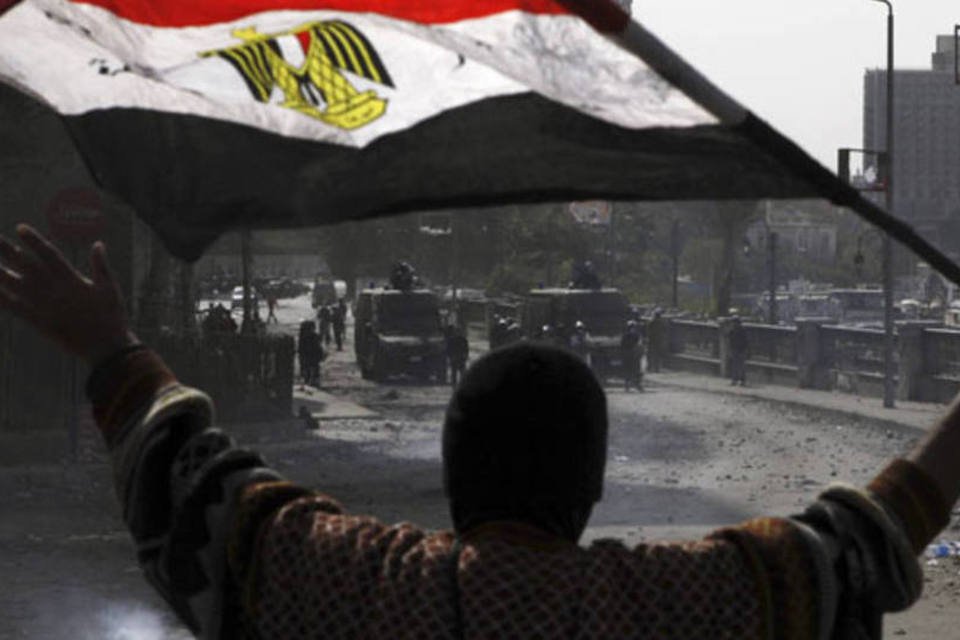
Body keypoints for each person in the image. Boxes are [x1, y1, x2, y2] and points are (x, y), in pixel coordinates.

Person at [1, 224, 956, 638]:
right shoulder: (684, 604)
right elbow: (860, 545)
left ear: (454, 476)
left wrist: (111, 344)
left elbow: (196, 485)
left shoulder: (355, 586)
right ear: (591, 488)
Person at [297, 319, 324, 387]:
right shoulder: (314, 336)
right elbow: (318, 346)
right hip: (312, 357)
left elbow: (300, 348)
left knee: (306, 370)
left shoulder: (302, 336)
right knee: (313, 369)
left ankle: (307, 381)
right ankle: (313, 381)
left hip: (306, 357)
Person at [620, 319, 643, 391]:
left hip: (629, 355)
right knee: (634, 370)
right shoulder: (636, 335)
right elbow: (639, 345)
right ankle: (635, 385)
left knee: (630, 370)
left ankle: (630, 386)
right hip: (632, 355)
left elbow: (622, 345)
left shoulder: (625, 335)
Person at [729, 315, 749, 386]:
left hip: (741, 349)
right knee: (735, 366)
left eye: (734, 322)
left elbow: (745, 341)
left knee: (741, 366)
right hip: (735, 349)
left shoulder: (742, 330)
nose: (733, 324)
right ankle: (734, 380)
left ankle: (742, 380)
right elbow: (730, 339)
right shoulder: (732, 330)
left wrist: (744, 349)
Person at [645, 307, 665, 373]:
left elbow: (648, 330)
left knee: (650, 354)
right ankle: (656, 368)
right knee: (656, 354)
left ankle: (650, 368)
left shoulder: (652, 321)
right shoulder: (661, 322)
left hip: (652, 339)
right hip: (657, 339)